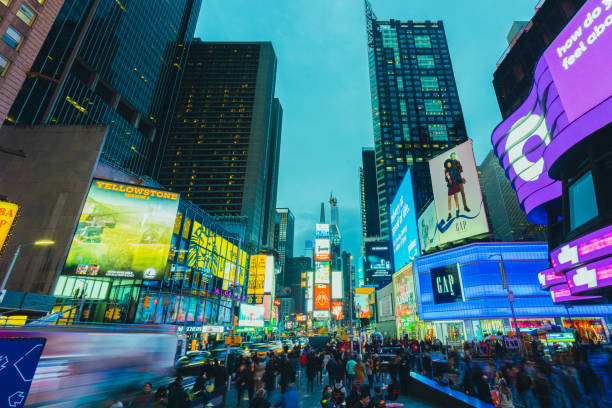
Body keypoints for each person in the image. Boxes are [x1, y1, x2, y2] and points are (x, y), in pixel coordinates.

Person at [444, 151, 470, 221]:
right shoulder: (447, 167)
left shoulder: (457, 162)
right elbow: (447, 176)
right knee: (455, 196)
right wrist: (448, 179)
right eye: (452, 155)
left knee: (462, 193)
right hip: (453, 182)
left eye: (454, 155)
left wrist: (463, 177)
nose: (453, 156)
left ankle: (465, 206)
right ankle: (457, 209)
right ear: (450, 157)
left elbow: (461, 170)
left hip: (458, 179)